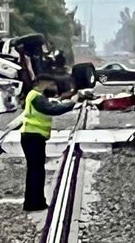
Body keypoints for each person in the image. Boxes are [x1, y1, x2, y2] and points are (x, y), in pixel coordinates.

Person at [20, 74, 89, 211]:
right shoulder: (36, 97)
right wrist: (72, 104)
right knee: (36, 172)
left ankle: (34, 201)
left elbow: (52, 103)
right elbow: (51, 109)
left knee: (35, 171)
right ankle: (34, 203)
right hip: (33, 137)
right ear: (40, 83)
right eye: (49, 84)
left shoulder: (35, 95)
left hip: (33, 137)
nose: (52, 87)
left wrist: (68, 98)